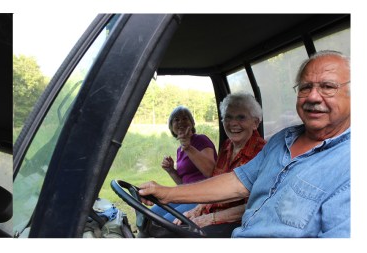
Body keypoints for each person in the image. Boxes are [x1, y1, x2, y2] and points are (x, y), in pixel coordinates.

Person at [139, 50, 350, 237]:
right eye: (305, 87)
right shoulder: (281, 140)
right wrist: (167, 193)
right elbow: (238, 182)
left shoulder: (349, 162)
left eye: (328, 87)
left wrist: (208, 218)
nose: (313, 96)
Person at [172, 93, 266, 237]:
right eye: (228, 117)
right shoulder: (227, 146)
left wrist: (209, 219)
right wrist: (197, 210)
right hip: (214, 213)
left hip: (240, 223)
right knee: (174, 227)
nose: (233, 123)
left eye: (241, 117)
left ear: (255, 123)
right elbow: (217, 184)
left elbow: (256, 205)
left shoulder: (264, 152)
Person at [150, 106, 216, 222]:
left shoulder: (201, 140)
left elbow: (211, 172)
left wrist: (188, 147)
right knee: (151, 215)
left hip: (202, 196)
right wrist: (170, 170)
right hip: (185, 194)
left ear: (192, 123)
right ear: (171, 126)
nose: (181, 122)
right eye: (176, 120)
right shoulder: (179, 150)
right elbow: (183, 183)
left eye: (185, 118)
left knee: (164, 223)